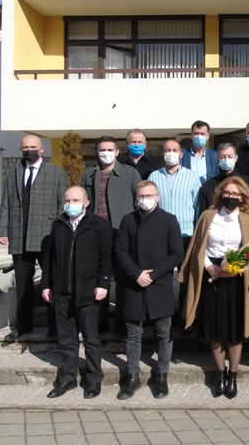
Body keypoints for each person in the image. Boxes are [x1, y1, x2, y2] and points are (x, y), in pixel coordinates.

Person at [179, 176, 249, 399]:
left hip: (237, 277)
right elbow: (198, 246)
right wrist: (209, 267)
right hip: (211, 274)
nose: (231, 197)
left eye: (236, 194)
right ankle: (219, 373)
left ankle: (233, 374)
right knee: (215, 329)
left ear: (243, 197)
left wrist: (236, 267)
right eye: (227, 193)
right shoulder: (208, 216)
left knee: (235, 330)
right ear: (220, 194)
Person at [41, 186, 112, 399]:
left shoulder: (99, 225)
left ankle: (93, 379)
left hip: (88, 292)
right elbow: (50, 259)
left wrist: (103, 284)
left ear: (86, 202)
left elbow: (106, 257)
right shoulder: (58, 225)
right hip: (62, 292)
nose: (71, 204)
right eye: (68, 200)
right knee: (66, 339)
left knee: (91, 339)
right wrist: (46, 285)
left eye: (75, 200)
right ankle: (67, 378)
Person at [115, 181, 184, 400]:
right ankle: (132, 375)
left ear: (158, 197)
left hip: (160, 285)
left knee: (164, 334)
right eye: (141, 196)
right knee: (133, 334)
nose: (145, 199)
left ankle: (161, 375)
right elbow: (121, 251)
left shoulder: (169, 220)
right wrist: (136, 273)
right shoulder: (128, 220)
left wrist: (153, 275)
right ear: (136, 198)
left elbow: (176, 253)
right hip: (134, 284)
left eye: (149, 195)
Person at [0, 134, 68, 338]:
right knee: (22, 284)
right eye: (25, 147)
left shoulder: (56, 173)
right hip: (20, 236)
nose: (29, 150)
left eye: (33, 147)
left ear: (42, 149)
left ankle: (55, 328)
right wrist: (2, 231)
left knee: (53, 281)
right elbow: (6, 203)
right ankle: (24, 327)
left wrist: (62, 233)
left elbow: (62, 205)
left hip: (47, 236)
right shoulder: (14, 172)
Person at [82, 136, 141, 332]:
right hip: (95, 234)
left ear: (117, 152)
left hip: (121, 233)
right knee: (99, 278)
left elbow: (139, 202)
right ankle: (101, 323)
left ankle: (122, 323)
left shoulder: (130, 173)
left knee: (123, 279)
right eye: (102, 150)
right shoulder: (89, 175)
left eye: (109, 150)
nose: (105, 153)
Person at [149, 140, 201, 322]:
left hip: (186, 233)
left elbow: (197, 206)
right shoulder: (154, 176)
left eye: (174, 150)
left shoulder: (192, 177)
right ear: (162, 154)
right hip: (160, 235)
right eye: (167, 150)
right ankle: (162, 314)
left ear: (181, 154)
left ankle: (185, 316)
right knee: (162, 276)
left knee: (185, 276)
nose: (170, 153)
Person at [197, 143, 249, 219]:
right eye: (222, 157)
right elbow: (203, 215)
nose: (226, 159)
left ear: (236, 158)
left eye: (229, 156)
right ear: (217, 159)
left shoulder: (247, 182)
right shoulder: (208, 186)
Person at [181, 120, 218, 185]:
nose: (199, 136)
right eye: (196, 134)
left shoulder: (214, 155)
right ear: (191, 136)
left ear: (208, 136)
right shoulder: (182, 155)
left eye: (202, 134)